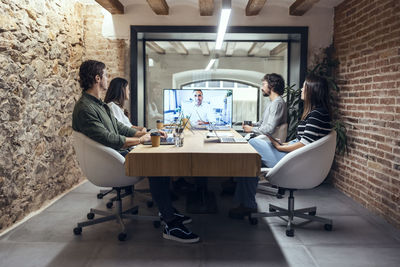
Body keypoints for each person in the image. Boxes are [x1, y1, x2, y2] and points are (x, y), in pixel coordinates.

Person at [72, 60, 199, 243]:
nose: (108, 79)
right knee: (156, 165)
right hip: (110, 162)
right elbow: (108, 138)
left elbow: (119, 128)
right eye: (106, 75)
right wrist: (140, 139)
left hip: (114, 155)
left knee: (159, 158)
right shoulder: (85, 108)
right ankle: (171, 224)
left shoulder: (98, 104)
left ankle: (167, 212)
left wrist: (148, 133)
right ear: (97, 78)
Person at [229, 74, 332, 219]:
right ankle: (245, 203)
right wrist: (282, 143)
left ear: (313, 90)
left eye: (304, 87)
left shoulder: (317, 115)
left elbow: (304, 144)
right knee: (249, 161)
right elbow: (303, 140)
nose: (301, 89)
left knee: (251, 144)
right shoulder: (317, 113)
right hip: (296, 158)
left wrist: (280, 147)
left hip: (296, 163)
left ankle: (246, 203)